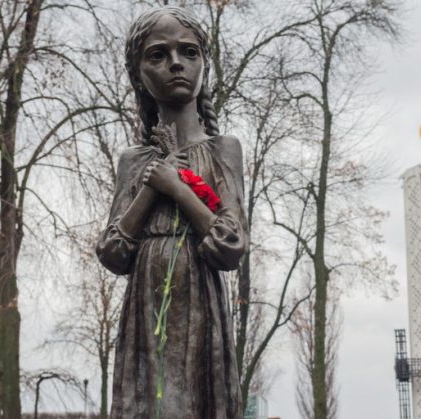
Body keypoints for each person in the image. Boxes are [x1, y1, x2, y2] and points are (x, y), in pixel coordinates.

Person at [95, 6, 247, 418]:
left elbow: (231, 246)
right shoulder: (132, 160)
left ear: (204, 65)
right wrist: (151, 188)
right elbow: (113, 252)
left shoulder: (222, 150)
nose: (176, 63)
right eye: (158, 54)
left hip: (200, 303)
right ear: (138, 74)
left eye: (189, 52)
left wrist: (178, 189)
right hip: (146, 307)